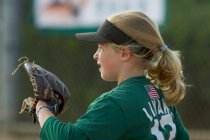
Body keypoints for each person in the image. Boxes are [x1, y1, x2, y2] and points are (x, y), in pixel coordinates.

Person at [36, 10, 189, 140]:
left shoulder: (115, 103)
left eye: (101, 48)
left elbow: (69, 138)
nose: (95, 55)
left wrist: (41, 109)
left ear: (124, 53)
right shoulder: (159, 96)